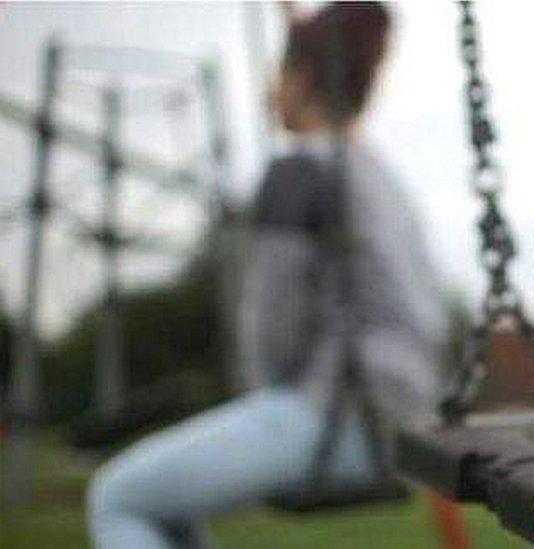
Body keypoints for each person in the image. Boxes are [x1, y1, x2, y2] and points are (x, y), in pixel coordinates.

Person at [87, 4, 447, 547]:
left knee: (118, 497)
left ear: (301, 79)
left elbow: (271, 333)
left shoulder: (297, 173)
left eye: (278, 74)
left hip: (334, 417)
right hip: (408, 419)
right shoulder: (382, 180)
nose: (268, 90)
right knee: (169, 507)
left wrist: (260, 395)